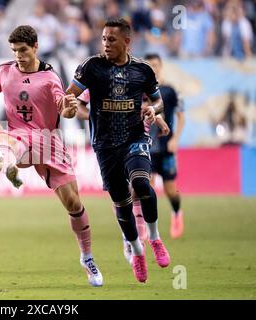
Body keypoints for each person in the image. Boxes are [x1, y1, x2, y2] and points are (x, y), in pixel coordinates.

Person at [0, 25, 103, 287]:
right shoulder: (2, 72)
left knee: (73, 203)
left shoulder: (50, 78)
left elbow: (65, 109)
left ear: (35, 46)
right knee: (10, 145)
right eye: (14, 50)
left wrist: (70, 108)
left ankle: (87, 256)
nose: (18, 55)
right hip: (18, 137)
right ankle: (7, 161)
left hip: (49, 141)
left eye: (23, 50)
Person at [63, 18, 171, 283]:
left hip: (135, 138)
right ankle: (136, 252)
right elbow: (70, 95)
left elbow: (158, 102)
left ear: (126, 41)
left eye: (111, 39)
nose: (106, 44)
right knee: (121, 202)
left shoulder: (143, 71)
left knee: (142, 185)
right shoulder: (92, 67)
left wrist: (152, 111)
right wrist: (67, 105)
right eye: (103, 39)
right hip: (105, 145)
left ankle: (155, 238)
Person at [77, 89, 170, 262]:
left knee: (139, 183)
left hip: (136, 137)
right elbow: (78, 107)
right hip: (107, 143)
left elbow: (150, 103)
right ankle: (130, 238)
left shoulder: (136, 71)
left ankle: (146, 237)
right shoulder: (95, 76)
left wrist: (157, 116)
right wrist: (96, 116)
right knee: (121, 194)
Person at [144, 53, 185, 239]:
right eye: (149, 64)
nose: (153, 67)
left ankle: (177, 213)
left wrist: (175, 139)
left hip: (166, 146)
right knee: (147, 188)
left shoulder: (169, 90)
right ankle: (148, 227)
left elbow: (180, 116)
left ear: (160, 66)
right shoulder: (140, 90)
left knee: (170, 189)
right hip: (146, 146)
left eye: (155, 64)